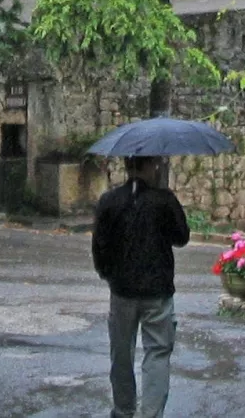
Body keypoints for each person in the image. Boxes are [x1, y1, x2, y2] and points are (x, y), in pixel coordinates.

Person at [91, 155, 190, 418]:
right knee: (157, 354)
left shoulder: (109, 201)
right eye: (155, 164)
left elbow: (99, 247)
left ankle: (123, 411)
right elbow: (182, 237)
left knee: (121, 354)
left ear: (127, 165)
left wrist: (108, 275)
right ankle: (150, 414)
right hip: (157, 292)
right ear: (150, 166)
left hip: (122, 291)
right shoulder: (163, 200)